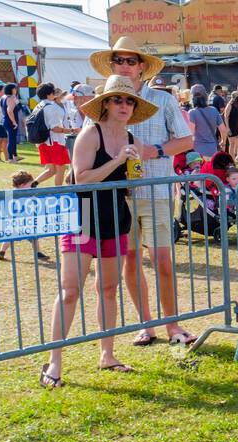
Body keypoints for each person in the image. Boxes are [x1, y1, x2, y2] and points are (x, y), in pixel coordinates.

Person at [39, 75, 156, 387]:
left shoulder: (134, 141)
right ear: (104, 104)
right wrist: (118, 160)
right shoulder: (90, 135)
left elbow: (130, 186)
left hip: (116, 217)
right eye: (117, 99)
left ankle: (107, 354)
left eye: (129, 100)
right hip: (83, 215)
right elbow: (82, 179)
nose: (123, 105)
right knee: (70, 291)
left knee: (108, 289)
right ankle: (54, 363)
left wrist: (135, 175)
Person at [90, 37, 196, 348]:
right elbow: (90, 140)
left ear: (141, 67)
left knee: (162, 260)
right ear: (112, 65)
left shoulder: (163, 101)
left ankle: (172, 324)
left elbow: (187, 141)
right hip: (119, 195)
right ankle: (146, 324)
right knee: (131, 261)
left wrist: (154, 150)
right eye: (118, 60)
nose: (124, 65)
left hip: (157, 191)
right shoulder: (102, 101)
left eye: (130, 61)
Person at [0, 170, 53, 263]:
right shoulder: (15, 194)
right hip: (17, 221)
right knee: (10, 237)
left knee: (33, 237)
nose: (32, 187)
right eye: (30, 185)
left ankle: (38, 253)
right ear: (22, 185)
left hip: (27, 221)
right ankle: (2, 251)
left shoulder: (26, 192)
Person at [30, 83, 72, 188]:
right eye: (53, 92)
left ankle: (32, 184)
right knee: (60, 169)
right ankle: (58, 192)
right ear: (49, 94)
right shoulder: (52, 107)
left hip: (42, 142)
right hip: (55, 142)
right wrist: (71, 130)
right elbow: (55, 128)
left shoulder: (38, 106)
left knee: (51, 170)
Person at [188, 88, 224, 160]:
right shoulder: (214, 110)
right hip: (213, 150)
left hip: (198, 152)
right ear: (206, 98)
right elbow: (223, 129)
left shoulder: (192, 112)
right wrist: (223, 141)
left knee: (200, 171)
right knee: (211, 170)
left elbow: (191, 133)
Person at [2, 84, 25, 162]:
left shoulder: (4, 97)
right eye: (15, 89)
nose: (16, 90)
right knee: (11, 139)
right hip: (10, 121)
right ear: (11, 90)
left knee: (13, 139)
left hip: (7, 120)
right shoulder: (10, 98)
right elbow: (9, 111)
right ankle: (10, 158)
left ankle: (15, 155)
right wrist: (14, 122)